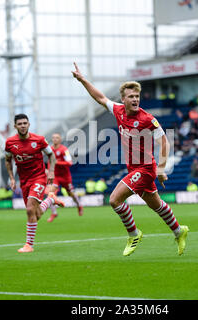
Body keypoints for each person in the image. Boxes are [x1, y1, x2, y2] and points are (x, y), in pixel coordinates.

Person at [72, 62, 189, 256]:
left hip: (145, 169)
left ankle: (134, 233)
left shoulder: (147, 118)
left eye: (137, 96)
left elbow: (165, 143)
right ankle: (179, 231)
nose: (135, 99)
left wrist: (160, 169)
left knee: (115, 200)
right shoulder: (117, 110)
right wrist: (83, 79)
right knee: (156, 205)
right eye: (131, 96)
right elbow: (100, 97)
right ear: (123, 99)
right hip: (133, 168)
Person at [5, 114, 64, 253]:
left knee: (30, 209)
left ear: (29, 124)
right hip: (23, 180)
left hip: (38, 177)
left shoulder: (39, 140)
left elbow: (51, 155)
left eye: (25, 123)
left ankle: (29, 245)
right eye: (19, 124)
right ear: (15, 126)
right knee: (36, 214)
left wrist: (51, 172)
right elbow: (7, 160)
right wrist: (12, 178)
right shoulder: (10, 143)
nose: (23, 126)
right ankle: (50, 200)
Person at [46, 133, 83, 223]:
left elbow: (70, 163)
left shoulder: (64, 150)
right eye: (53, 137)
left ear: (60, 139)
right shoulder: (50, 149)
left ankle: (79, 205)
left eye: (57, 138)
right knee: (50, 193)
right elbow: (50, 161)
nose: (54, 139)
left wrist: (57, 163)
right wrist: (49, 170)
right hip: (55, 176)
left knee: (71, 194)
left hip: (65, 177)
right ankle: (54, 213)